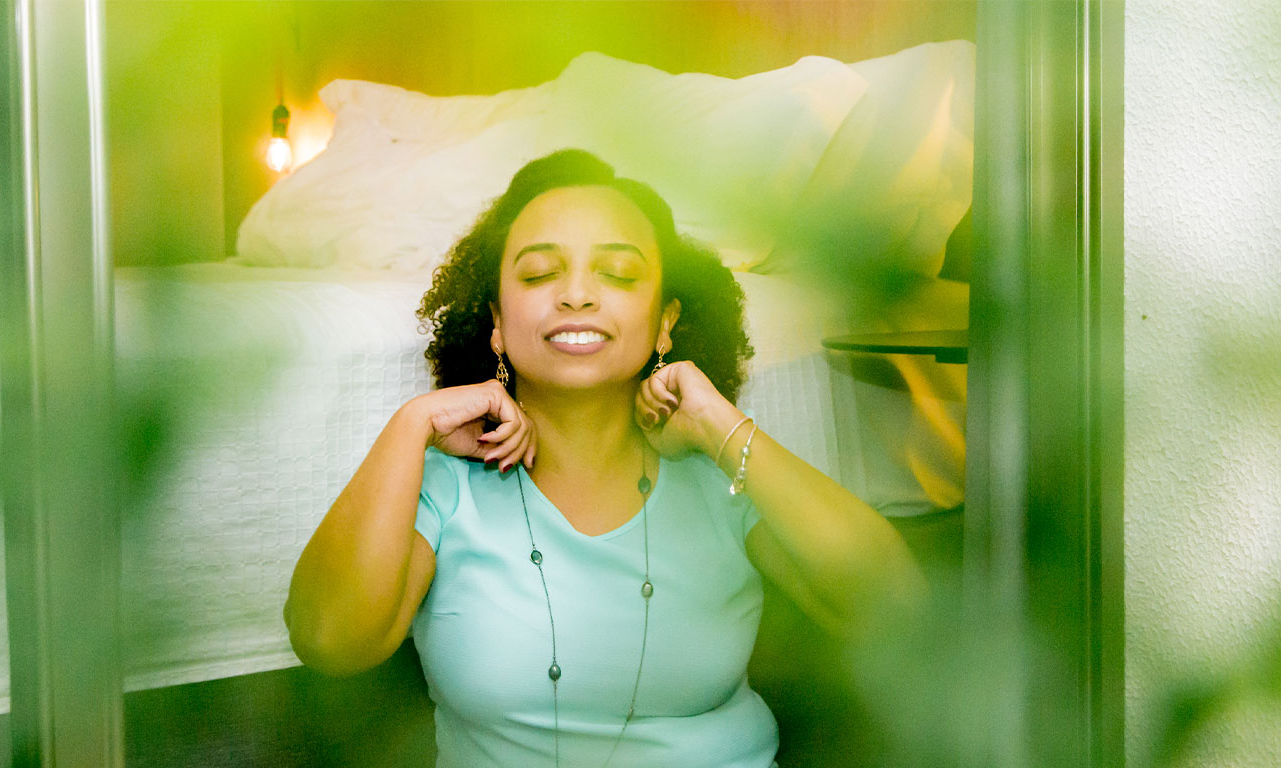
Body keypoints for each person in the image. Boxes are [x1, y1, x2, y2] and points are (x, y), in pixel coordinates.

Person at [285, 149, 924, 767]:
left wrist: (719, 426)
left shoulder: (721, 478)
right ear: (497, 324)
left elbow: (893, 604)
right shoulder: (444, 489)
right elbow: (328, 641)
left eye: (617, 273)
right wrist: (411, 424)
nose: (578, 295)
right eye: (539, 274)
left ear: (665, 322)